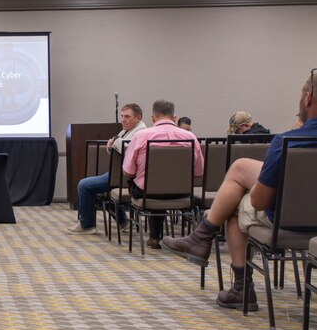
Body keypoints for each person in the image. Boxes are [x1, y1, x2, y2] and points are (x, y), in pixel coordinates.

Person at [162, 73, 317, 310]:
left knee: (235, 206)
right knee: (242, 167)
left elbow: (260, 201)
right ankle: (201, 238)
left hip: (289, 223)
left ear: (308, 99)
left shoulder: (287, 142)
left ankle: (240, 286)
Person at [122, 100, 204, 249]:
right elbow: (199, 172)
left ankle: (155, 236)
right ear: (174, 118)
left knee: (146, 183)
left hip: (147, 194)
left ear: (153, 118)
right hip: (182, 193)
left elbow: (128, 171)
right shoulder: (191, 138)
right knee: (161, 184)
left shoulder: (141, 136)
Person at [68, 103, 146, 235]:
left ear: (138, 117)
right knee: (96, 190)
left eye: (127, 116)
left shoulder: (141, 132)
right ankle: (123, 221)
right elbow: (118, 145)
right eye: (122, 116)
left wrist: (114, 142)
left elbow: (129, 149)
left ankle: (87, 225)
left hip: (127, 176)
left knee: (84, 185)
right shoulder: (126, 130)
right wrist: (111, 145)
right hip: (119, 174)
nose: (123, 119)